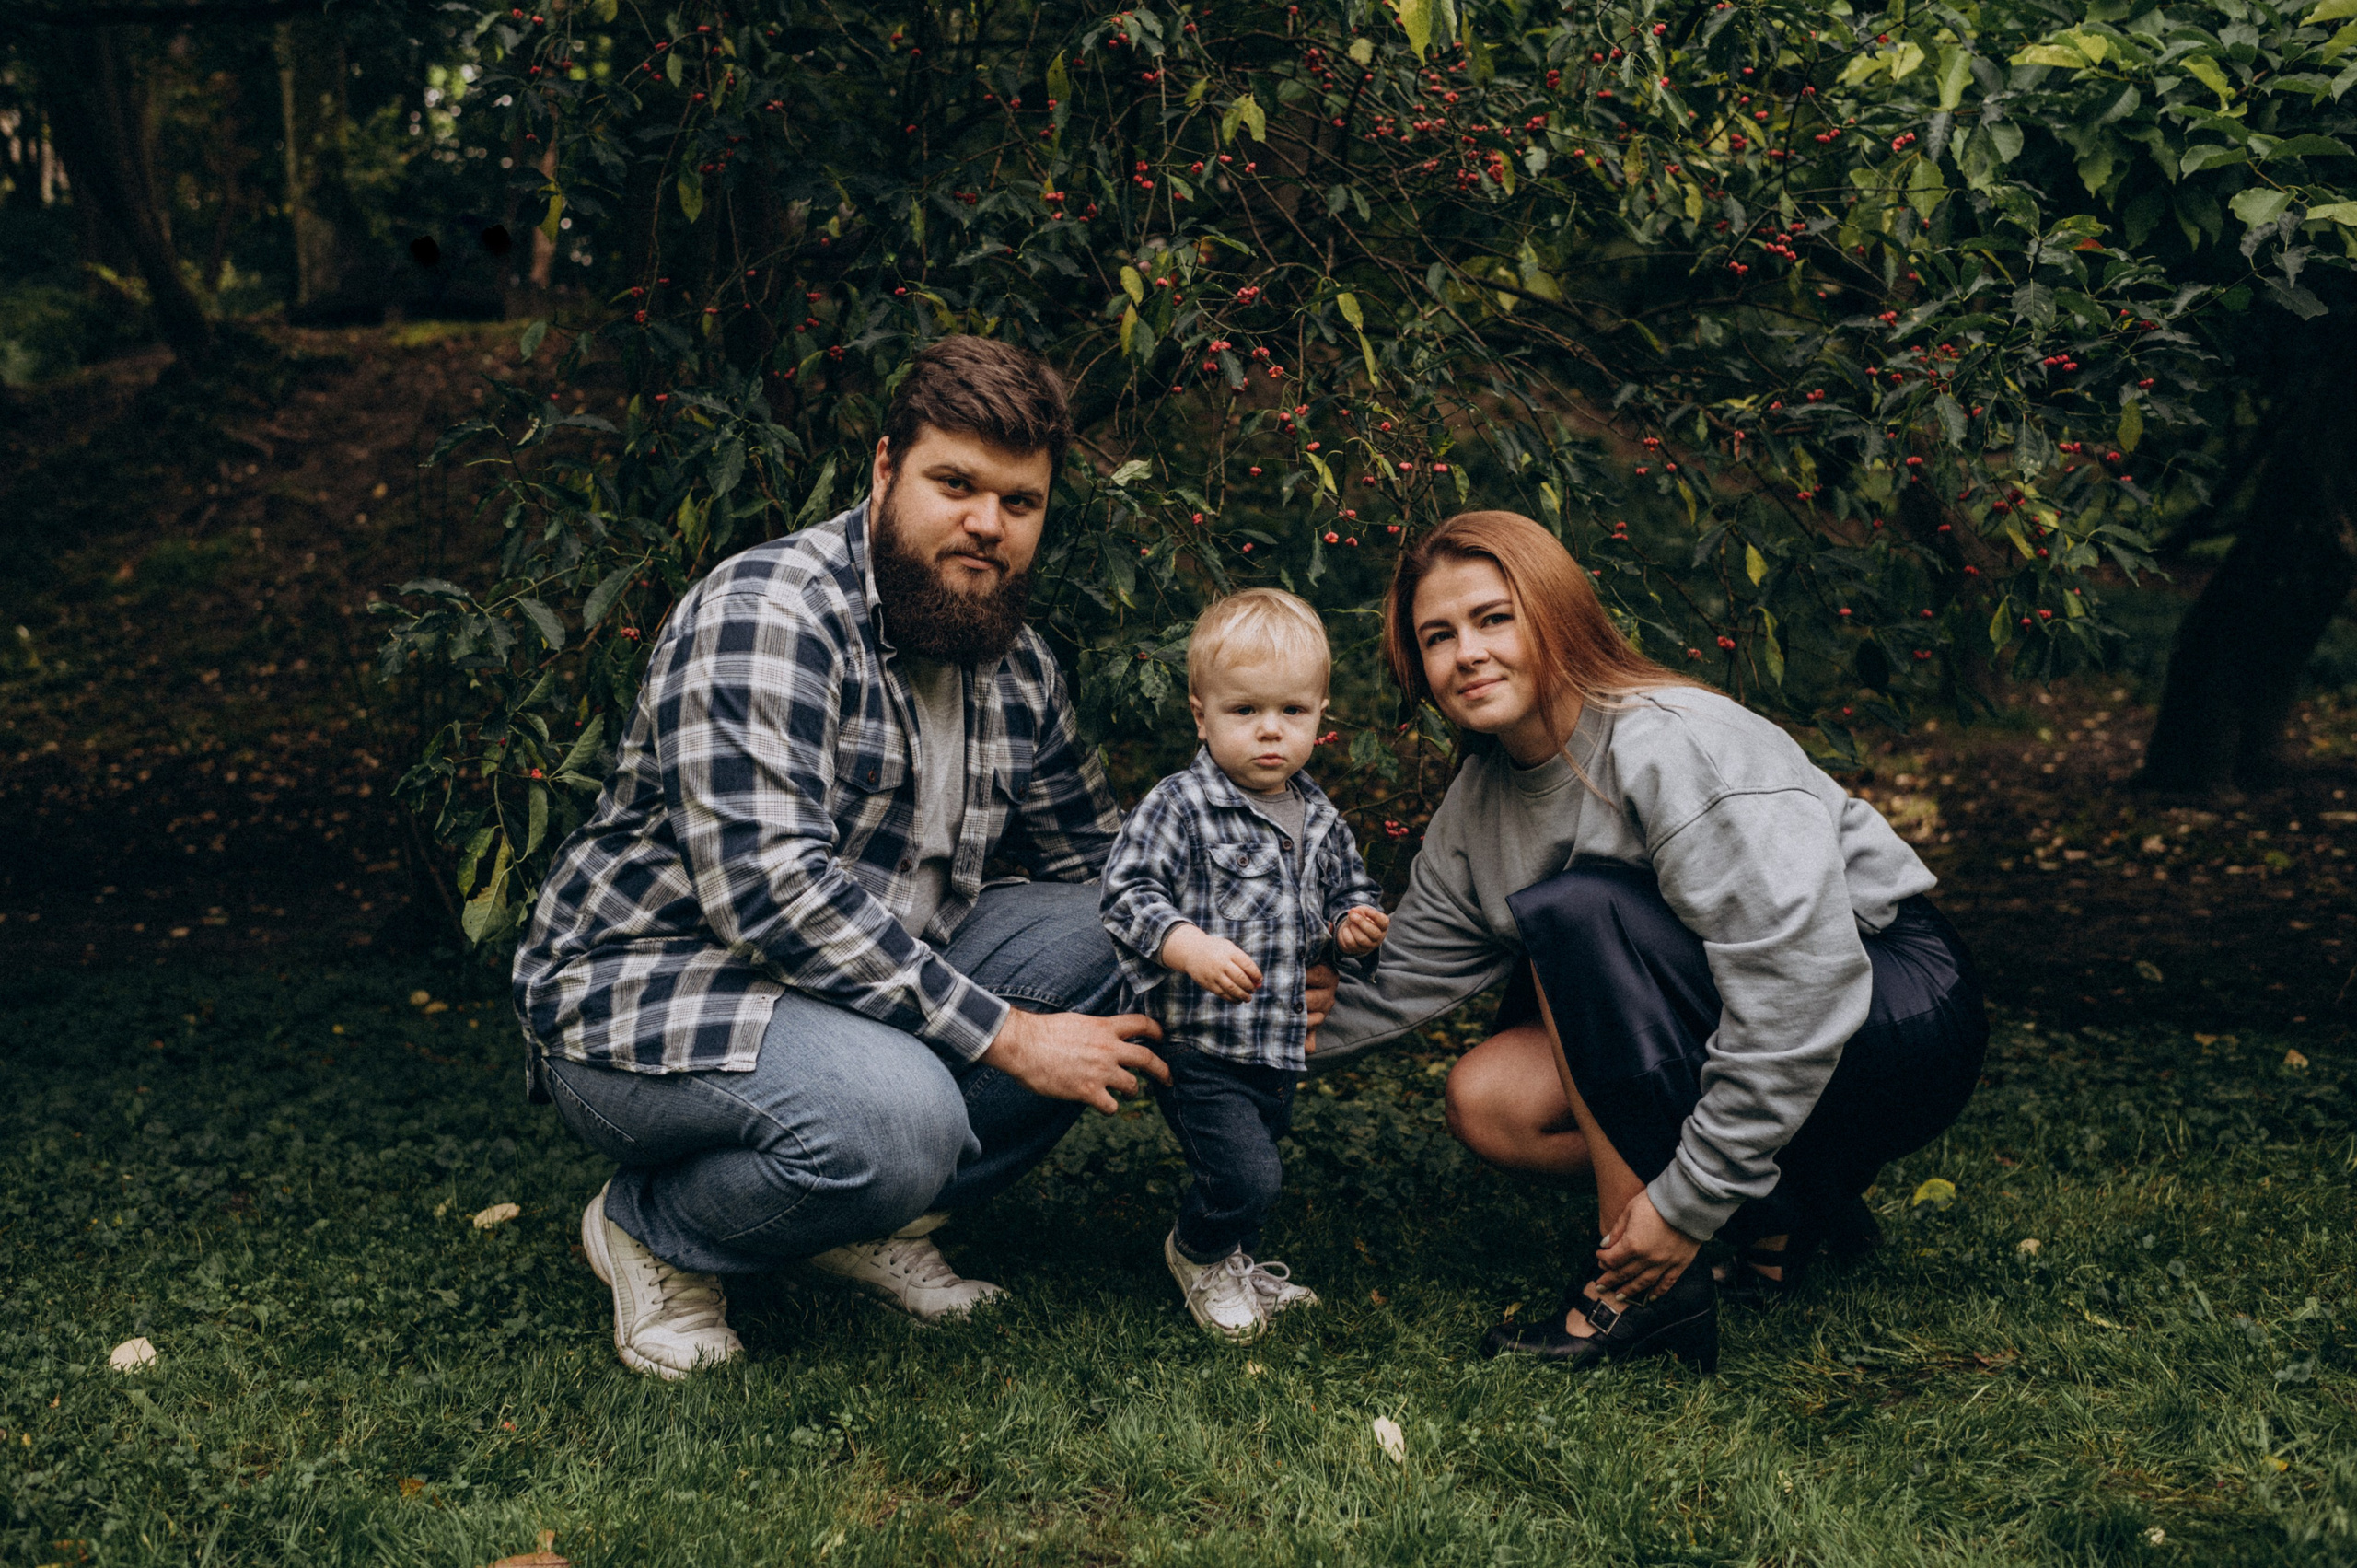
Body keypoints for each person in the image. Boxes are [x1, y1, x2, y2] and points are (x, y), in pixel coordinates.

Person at [512, 337, 1263, 1378]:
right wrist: (1008, 1035)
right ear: (882, 471)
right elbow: (770, 894)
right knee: (899, 1121)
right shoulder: (768, 614)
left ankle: (865, 1214)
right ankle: (654, 1226)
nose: (986, 524)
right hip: (646, 994)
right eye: (953, 483)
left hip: (847, 1000)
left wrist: (1249, 941)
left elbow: (1108, 859)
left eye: (1020, 501)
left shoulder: (1015, 659)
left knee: (1127, 937)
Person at [1316, 511, 1987, 1372]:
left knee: (1575, 913)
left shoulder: (1671, 742)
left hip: (1896, 1004)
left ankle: (1642, 1295)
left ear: (1555, 614)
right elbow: (1394, 979)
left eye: (1493, 617)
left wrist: (1685, 1202)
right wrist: (1221, 1030)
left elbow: (1802, 985)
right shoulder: (1478, 808)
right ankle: (1790, 1203)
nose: (1467, 653)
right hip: (1770, 1010)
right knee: (1491, 1099)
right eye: (1437, 635)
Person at [1098, 590, 1390, 1341]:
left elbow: (1347, 893)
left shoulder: (1319, 817)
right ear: (1201, 715)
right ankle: (1195, 1253)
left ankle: (1237, 1260)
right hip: (1198, 1042)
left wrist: (1352, 927)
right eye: (1245, 711)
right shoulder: (1182, 806)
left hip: (1276, 1042)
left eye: (1292, 711)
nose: (1271, 731)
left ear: (1320, 713)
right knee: (1245, 1174)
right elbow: (1126, 892)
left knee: (1259, 1156)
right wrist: (1187, 946)